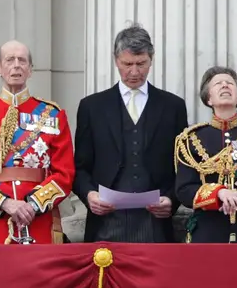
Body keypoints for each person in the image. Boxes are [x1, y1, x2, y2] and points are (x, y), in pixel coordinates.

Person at [73, 24, 189, 243]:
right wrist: (89, 195)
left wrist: (172, 200)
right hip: (105, 221)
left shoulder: (173, 106)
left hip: (155, 222)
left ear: (151, 59)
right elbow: (80, 167)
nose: (134, 72)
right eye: (127, 64)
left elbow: (183, 165)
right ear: (116, 60)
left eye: (141, 64)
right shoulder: (92, 107)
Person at [0, 41, 76, 244]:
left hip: (38, 222)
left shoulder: (53, 115)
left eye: (22, 60)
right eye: (9, 60)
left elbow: (64, 174)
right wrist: (4, 203)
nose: (16, 65)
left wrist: (33, 204)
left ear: (30, 70)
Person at [172, 66, 237, 243]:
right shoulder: (191, 139)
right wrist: (219, 194)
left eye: (230, 83)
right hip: (208, 234)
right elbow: (184, 189)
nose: (225, 86)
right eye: (218, 84)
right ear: (208, 98)